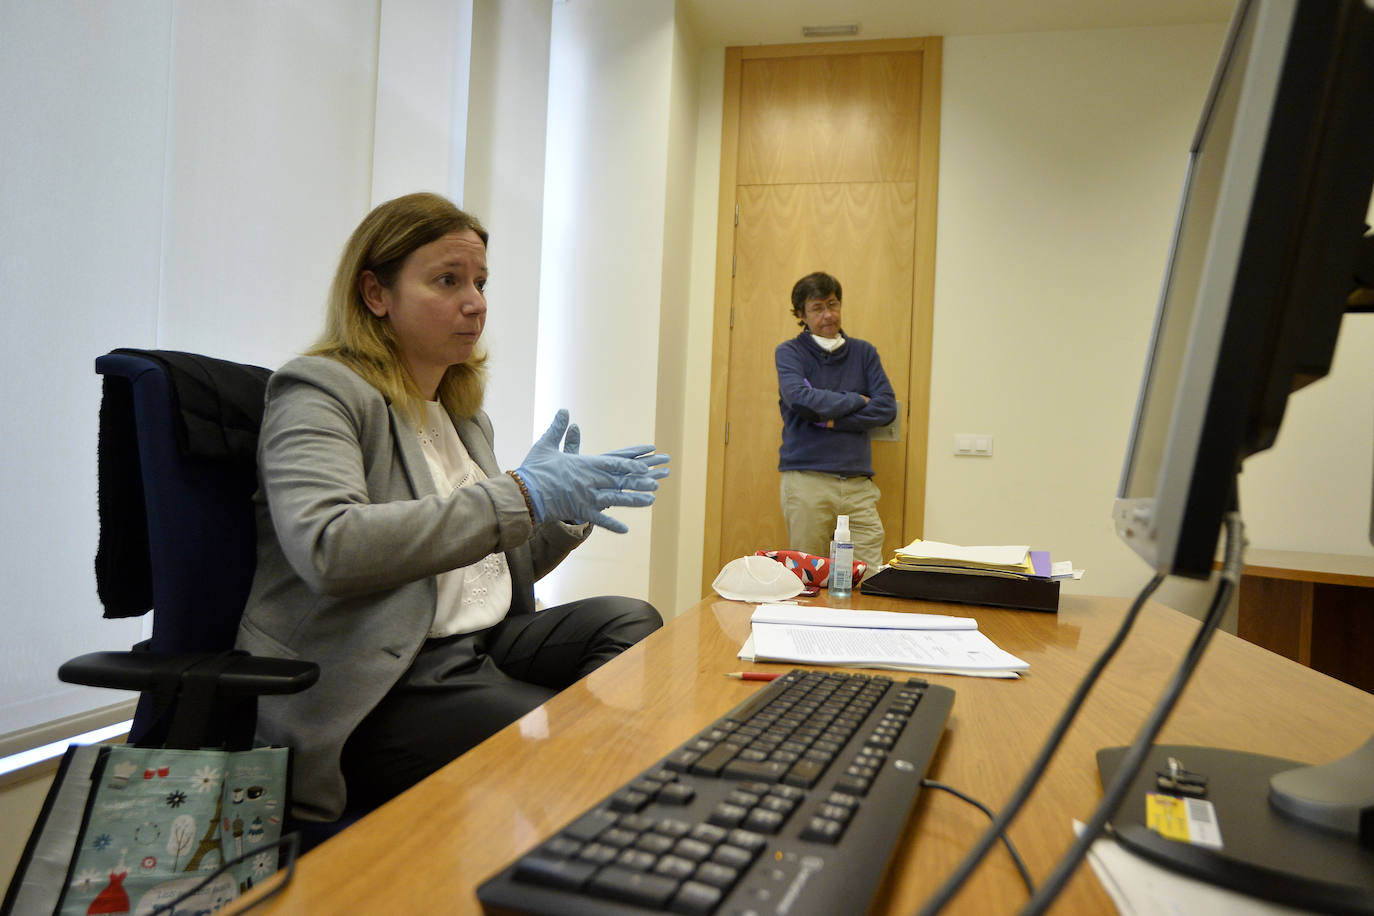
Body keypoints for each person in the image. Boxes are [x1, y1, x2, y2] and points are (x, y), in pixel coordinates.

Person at [235, 192, 669, 823]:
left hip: (480, 645)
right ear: (376, 294)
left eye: (481, 282)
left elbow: (486, 566)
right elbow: (330, 547)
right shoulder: (319, 390)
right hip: (384, 679)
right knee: (558, 738)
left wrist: (563, 512)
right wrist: (522, 494)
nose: (477, 302)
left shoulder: (463, 415)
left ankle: (584, 767)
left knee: (630, 621)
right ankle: (585, 782)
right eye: (448, 280)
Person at [775, 271, 897, 573]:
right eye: (818, 308)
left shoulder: (864, 353)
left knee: (868, 574)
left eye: (833, 304)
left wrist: (832, 421)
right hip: (807, 482)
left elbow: (885, 408)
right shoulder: (790, 353)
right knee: (807, 578)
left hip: (858, 485)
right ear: (801, 314)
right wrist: (858, 399)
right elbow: (802, 400)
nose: (828, 314)